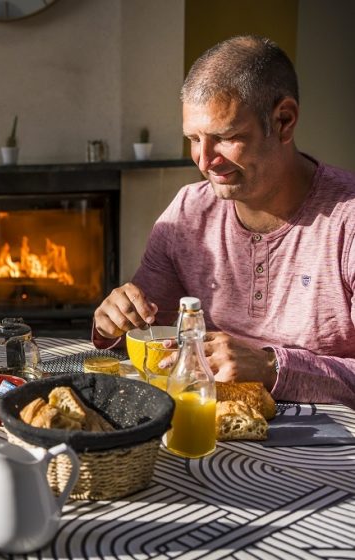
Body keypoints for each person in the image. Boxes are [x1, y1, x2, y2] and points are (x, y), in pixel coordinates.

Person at [92, 35, 355, 407]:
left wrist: (271, 368)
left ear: (284, 121)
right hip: (206, 433)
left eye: (227, 137)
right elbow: (149, 335)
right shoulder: (187, 212)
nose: (204, 161)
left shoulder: (348, 221)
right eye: (194, 139)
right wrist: (115, 323)